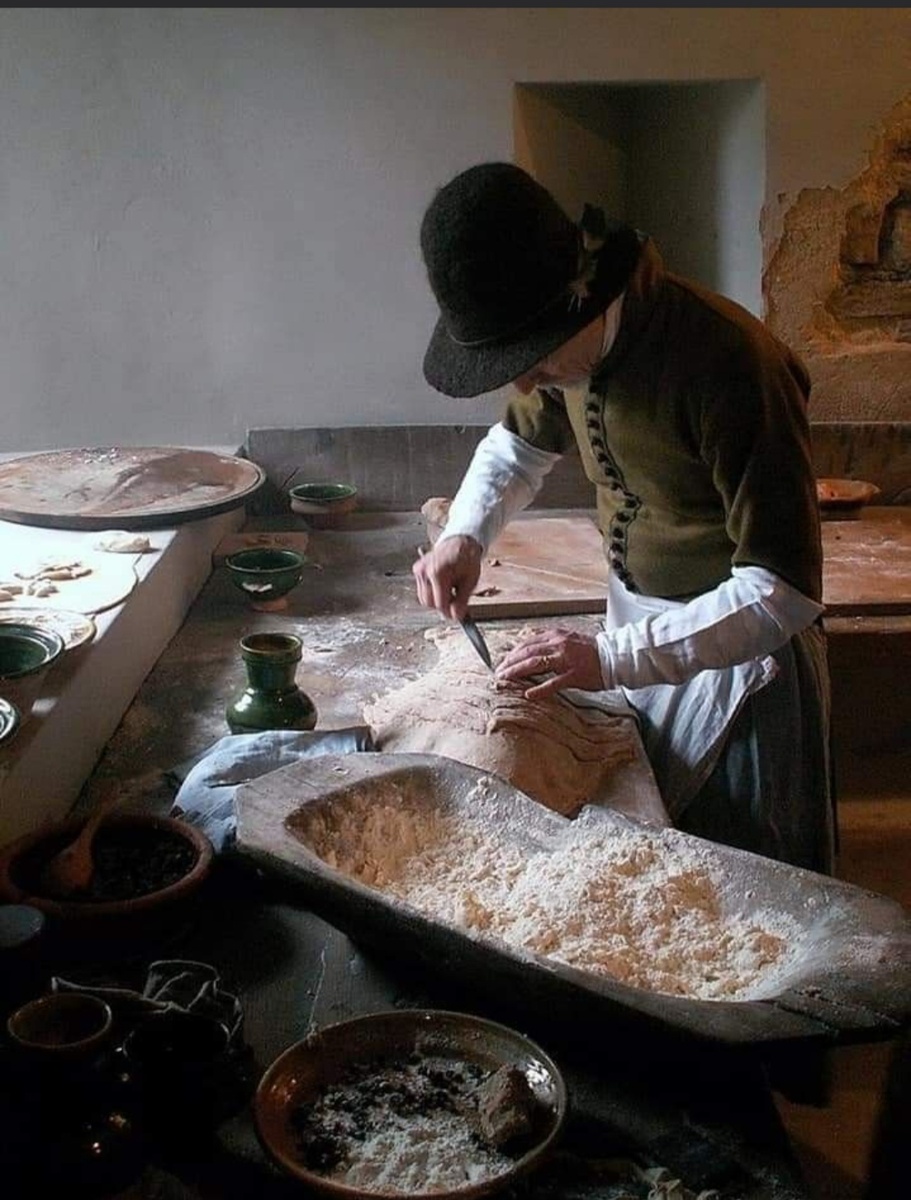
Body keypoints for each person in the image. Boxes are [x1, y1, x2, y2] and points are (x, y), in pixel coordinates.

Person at [412, 161, 835, 875]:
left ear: (579, 304)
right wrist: (464, 535)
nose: (523, 378)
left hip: (741, 665)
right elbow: (517, 447)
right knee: (657, 857)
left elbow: (782, 593)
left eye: (529, 357)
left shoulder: (734, 365)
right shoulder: (564, 350)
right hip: (637, 637)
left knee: (743, 877)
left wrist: (609, 658)